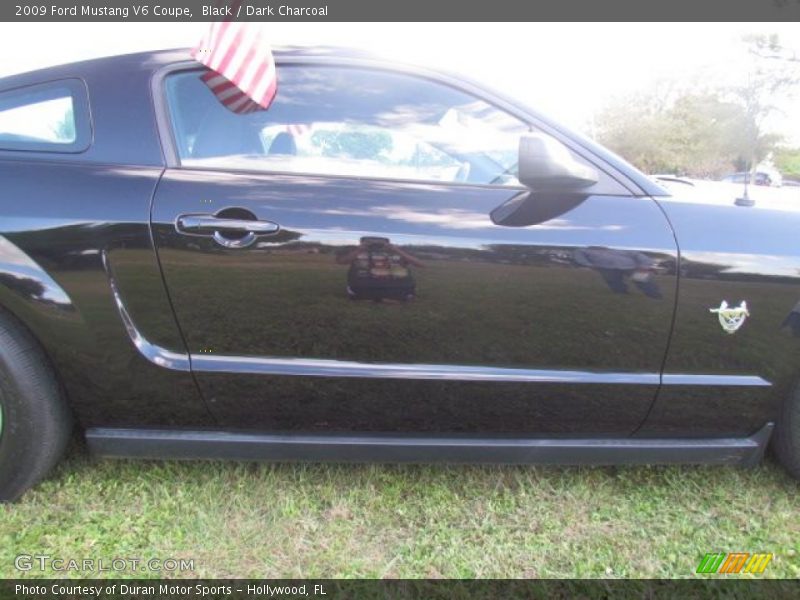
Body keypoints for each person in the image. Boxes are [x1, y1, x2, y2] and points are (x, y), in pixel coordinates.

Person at [336, 237, 424, 302]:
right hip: (363, 284)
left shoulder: (398, 251)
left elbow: (420, 264)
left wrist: (397, 250)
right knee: (361, 296)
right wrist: (359, 250)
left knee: (401, 294)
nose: (376, 245)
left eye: (380, 243)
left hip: (395, 284)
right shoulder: (355, 250)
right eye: (370, 243)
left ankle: (383, 296)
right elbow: (341, 262)